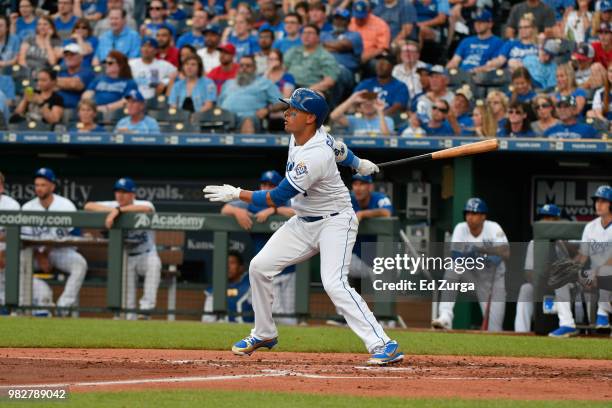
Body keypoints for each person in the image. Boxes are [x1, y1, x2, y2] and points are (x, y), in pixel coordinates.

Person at [203, 88, 404, 365]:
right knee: (259, 267)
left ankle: (383, 343)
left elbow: (276, 197)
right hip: (304, 221)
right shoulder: (307, 137)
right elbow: (341, 150)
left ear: (310, 118)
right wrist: (359, 164)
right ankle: (263, 332)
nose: (286, 114)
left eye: (292, 110)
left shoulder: (315, 155)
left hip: (335, 221)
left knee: (334, 283)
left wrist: (237, 194)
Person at [220, 171, 297, 326]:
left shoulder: (287, 201)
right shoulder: (254, 202)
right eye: (264, 184)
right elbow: (224, 210)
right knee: (279, 315)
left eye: (271, 185)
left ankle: (294, 346)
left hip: (290, 271)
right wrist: (238, 211)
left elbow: (300, 212)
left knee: (291, 316)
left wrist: (274, 210)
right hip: (269, 271)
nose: (266, 188)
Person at [84, 177, 162, 320]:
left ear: (133, 194)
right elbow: (88, 206)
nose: (120, 195)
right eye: (118, 192)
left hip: (147, 254)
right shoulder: (114, 204)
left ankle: (145, 310)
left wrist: (118, 211)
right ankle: (129, 316)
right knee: (127, 300)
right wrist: (115, 210)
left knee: (154, 265)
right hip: (127, 255)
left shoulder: (143, 203)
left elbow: (147, 209)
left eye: (124, 192)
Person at [431, 198, 510, 332]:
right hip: (472, 276)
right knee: (453, 268)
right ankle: (445, 316)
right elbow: (456, 256)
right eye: (468, 213)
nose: (470, 217)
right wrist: (482, 255)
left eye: (474, 213)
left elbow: (505, 253)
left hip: (493, 280)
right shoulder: (461, 228)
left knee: (494, 330)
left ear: (483, 216)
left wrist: (480, 251)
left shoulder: (493, 227)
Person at [21, 168, 88, 313]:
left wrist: (48, 250)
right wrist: (40, 255)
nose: (39, 188)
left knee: (80, 264)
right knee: (17, 263)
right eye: (37, 185)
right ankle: (21, 305)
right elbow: (24, 239)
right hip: (34, 253)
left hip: (60, 251)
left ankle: (63, 306)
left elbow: (75, 236)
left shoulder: (66, 205)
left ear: (52, 186)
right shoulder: (28, 207)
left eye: (43, 185)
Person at [548, 185, 612, 337]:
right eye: (597, 200)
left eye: (603, 201)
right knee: (562, 277)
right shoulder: (591, 227)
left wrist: (595, 272)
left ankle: (602, 314)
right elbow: (583, 255)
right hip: (595, 275)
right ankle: (567, 324)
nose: (598, 204)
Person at [515, 204, 562, 333]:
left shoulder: (566, 241)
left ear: (558, 220)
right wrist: (541, 282)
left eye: (550, 217)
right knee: (525, 289)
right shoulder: (534, 243)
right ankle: (521, 333)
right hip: (541, 284)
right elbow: (528, 272)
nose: (546, 221)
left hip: (563, 285)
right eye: (543, 217)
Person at [219, 55, 284, 133]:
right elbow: (219, 104)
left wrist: (267, 110)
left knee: (247, 120)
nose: (244, 68)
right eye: (241, 65)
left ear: (254, 68)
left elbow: (282, 103)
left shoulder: (264, 83)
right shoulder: (228, 83)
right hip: (226, 118)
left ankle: (245, 144)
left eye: (248, 66)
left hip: (250, 118)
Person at [284, 24, 340, 94]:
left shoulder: (325, 56)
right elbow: (283, 70)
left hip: (311, 90)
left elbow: (329, 81)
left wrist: (306, 91)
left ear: (318, 37)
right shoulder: (293, 51)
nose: (306, 36)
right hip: (288, 87)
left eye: (310, 33)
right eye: (304, 33)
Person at [202, 251, 254, 323]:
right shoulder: (215, 290)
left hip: (247, 330)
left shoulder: (250, 287)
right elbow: (207, 320)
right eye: (225, 263)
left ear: (241, 268)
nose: (228, 266)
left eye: (232, 263)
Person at [330, 90, 394, 136]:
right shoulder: (353, 120)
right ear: (359, 108)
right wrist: (352, 99)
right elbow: (333, 116)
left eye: (371, 103)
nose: (368, 105)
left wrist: (380, 111)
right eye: (364, 104)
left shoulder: (387, 120)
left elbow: (386, 137)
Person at [0, 171, 20, 307]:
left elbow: (15, 235)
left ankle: (10, 308)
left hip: (6, 251)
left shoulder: (12, 205)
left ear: (1, 188)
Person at [57, 43, 95, 110]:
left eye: (72, 54)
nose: (69, 57)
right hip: (57, 108)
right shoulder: (61, 72)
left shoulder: (87, 72)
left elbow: (74, 84)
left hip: (75, 110)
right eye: (66, 55)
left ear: (81, 57)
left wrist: (54, 82)